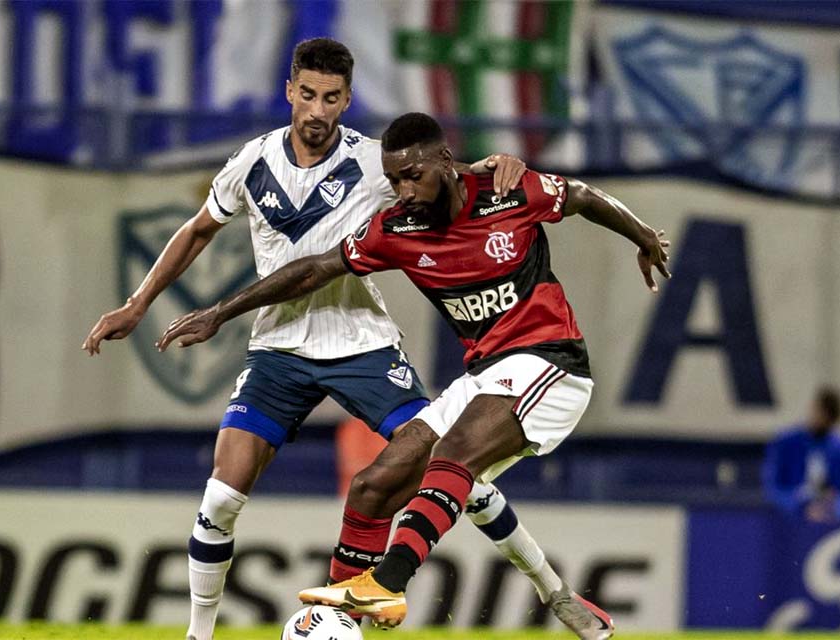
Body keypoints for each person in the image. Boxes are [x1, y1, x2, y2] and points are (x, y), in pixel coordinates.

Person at [84, 39, 581, 640]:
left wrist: (505, 164)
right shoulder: (251, 162)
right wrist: (138, 305)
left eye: (332, 98)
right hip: (278, 351)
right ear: (289, 91)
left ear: (346, 100)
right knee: (220, 497)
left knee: (450, 466)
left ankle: (553, 591)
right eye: (308, 94)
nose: (318, 110)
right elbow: (196, 231)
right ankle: (199, 636)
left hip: (363, 346)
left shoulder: (378, 162)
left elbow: (460, 176)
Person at [156, 111, 672, 637]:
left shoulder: (507, 192)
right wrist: (220, 312)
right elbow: (313, 268)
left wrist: (643, 236)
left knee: (451, 459)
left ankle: (390, 581)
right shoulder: (397, 229)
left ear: (445, 162)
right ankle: (340, 619)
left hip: (550, 363)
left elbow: (581, 196)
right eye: (394, 179)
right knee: (373, 486)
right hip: (484, 374)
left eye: (412, 175)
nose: (403, 190)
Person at [763, 386, 840, 522]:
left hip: (827, 520)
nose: (822, 420)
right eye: (821, 413)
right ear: (814, 408)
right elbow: (773, 487)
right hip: (789, 523)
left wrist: (834, 509)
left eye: (829, 419)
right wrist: (801, 507)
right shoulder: (786, 442)